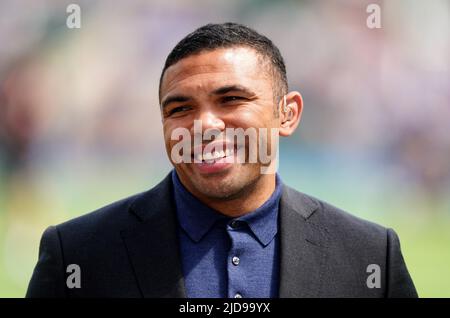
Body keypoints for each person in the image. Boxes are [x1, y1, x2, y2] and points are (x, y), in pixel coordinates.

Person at [26, 23, 417, 298]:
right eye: (180, 107)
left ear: (288, 114)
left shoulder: (368, 255)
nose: (204, 125)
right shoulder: (77, 255)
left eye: (231, 99)